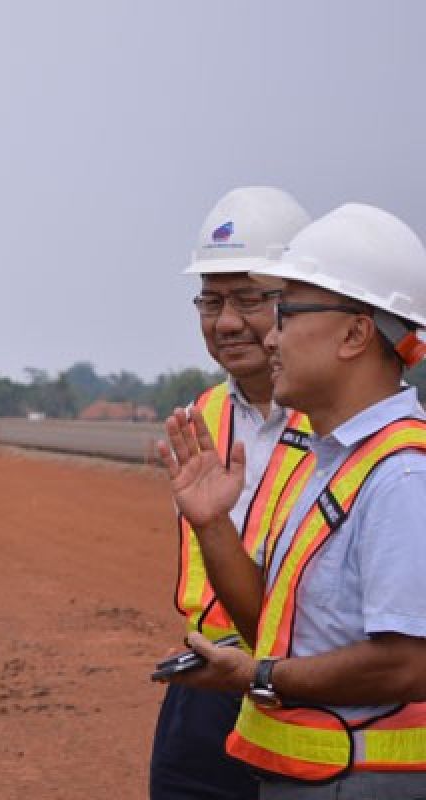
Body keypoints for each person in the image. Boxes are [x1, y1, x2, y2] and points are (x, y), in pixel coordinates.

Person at [158, 203, 426, 798]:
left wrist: (257, 674)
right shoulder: (340, 461)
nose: (267, 335)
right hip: (300, 764)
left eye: (286, 313)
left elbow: (409, 663)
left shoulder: (401, 477)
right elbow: (280, 628)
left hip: (359, 774)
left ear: (357, 333)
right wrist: (213, 526)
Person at [150, 187, 311, 800]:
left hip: (308, 691)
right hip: (203, 693)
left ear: (299, 296)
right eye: (211, 299)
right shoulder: (201, 419)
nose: (225, 321)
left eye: (249, 298)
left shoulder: (345, 423)